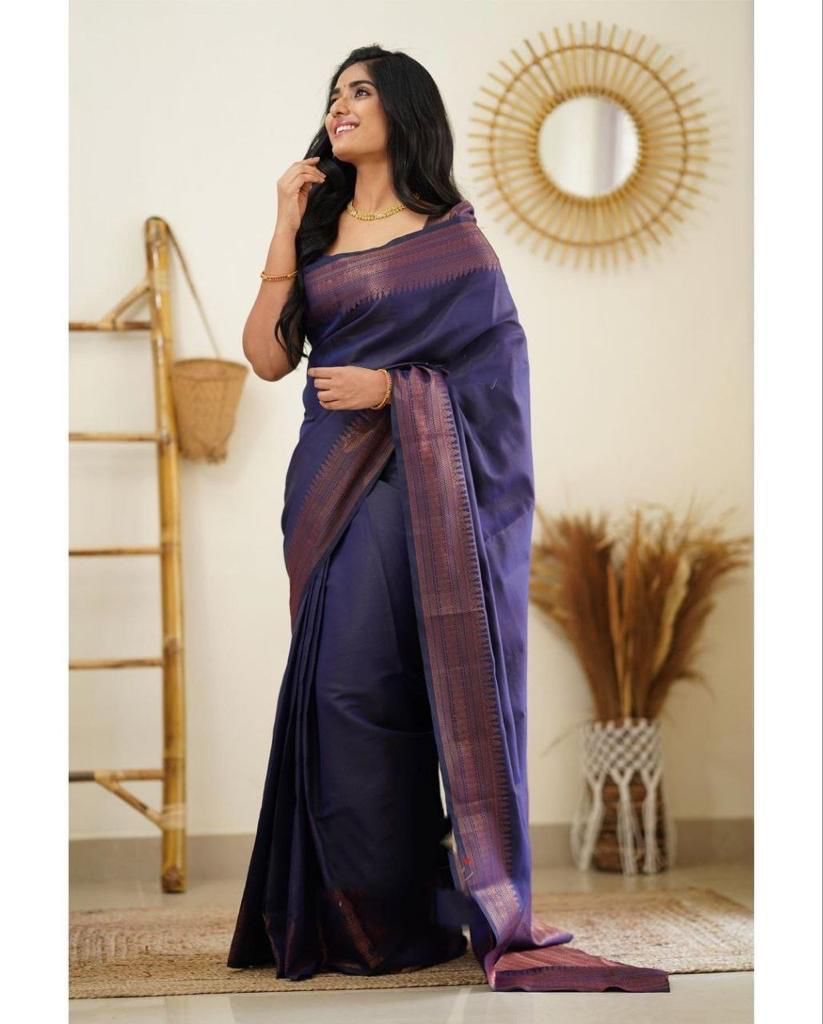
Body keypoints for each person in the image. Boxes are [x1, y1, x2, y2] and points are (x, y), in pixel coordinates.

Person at [226, 45, 670, 994]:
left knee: (380, 693)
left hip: (407, 481)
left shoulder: (453, 243)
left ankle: (400, 919)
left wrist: (394, 389)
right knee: (331, 693)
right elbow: (265, 358)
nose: (340, 105)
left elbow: (498, 382)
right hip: (325, 484)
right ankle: (343, 915)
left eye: (360, 91)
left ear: (404, 112)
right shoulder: (316, 228)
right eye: (334, 94)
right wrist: (284, 219)